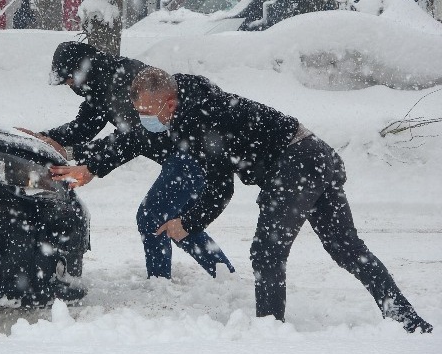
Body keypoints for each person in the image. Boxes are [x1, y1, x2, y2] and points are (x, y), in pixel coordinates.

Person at [53, 67, 433, 333]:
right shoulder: (184, 104)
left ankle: (269, 333)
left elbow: (221, 189)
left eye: (150, 113)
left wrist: (187, 222)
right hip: (316, 155)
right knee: (346, 248)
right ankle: (407, 319)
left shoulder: (204, 117)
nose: (147, 120)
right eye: (141, 113)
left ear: (169, 104)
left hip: (297, 163)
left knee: (268, 252)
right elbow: (138, 137)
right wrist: (94, 166)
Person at [19, 41, 234, 278]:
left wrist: (90, 165)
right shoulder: (99, 86)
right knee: (174, 222)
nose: (71, 86)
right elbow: (82, 127)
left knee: (152, 216)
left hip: (190, 152)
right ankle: (224, 274)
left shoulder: (126, 80)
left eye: (71, 80)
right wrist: (45, 138)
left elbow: (133, 138)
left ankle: (160, 282)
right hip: (179, 154)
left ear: (82, 71)